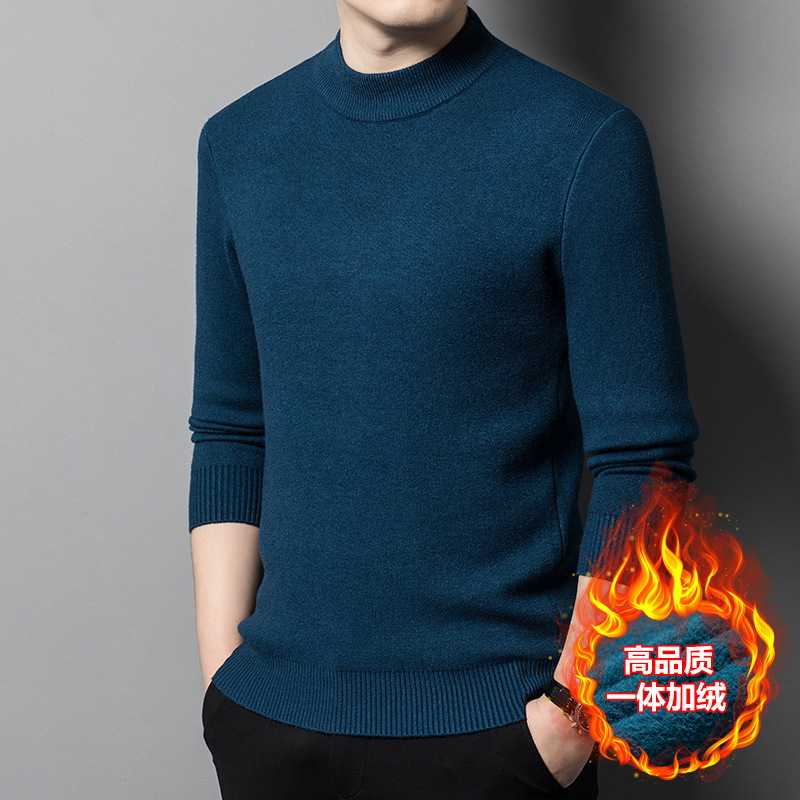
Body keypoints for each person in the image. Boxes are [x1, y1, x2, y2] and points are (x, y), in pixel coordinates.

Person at [188, 2, 700, 798]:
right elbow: (231, 429)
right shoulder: (239, 142)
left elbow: (646, 460)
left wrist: (569, 720)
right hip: (272, 732)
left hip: (502, 736)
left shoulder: (584, 140)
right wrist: (225, 684)